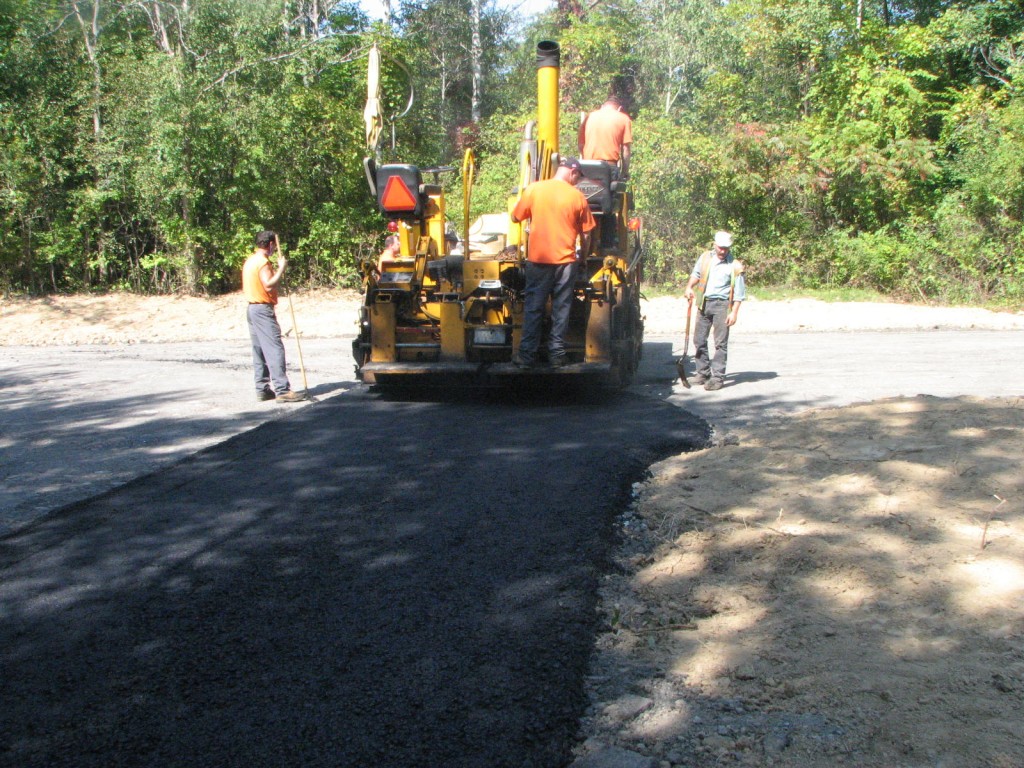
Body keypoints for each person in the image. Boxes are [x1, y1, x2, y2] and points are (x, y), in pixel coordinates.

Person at [510, 157, 596, 368]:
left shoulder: (534, 189)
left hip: (538, 259)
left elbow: (515, 217)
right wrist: (583, 259)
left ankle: (526, 356)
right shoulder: (577, 197)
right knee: (561, 309)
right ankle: (556, 355)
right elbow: (587, 235)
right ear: (573, 173)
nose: (578, 182)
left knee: (534, 307)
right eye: (578, 178)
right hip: (566, 262)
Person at [242, 230, 305, 402]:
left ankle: (262, 389)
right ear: (270, 245)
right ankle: (282, 390)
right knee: (274, 347)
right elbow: (269, 285)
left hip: (252, 309)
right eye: (274, 246)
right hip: (262, 310)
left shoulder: (250, 260)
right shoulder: (262, 263)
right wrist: (281, 268)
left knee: (259, 350)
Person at [684, 230, 746, 391]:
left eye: (726, 248)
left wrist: (734, 313)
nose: (723, 251)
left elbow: (739, 294)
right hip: (704, 302)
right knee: (699, 339)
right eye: (720, 248)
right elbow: (696, 274)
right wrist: (689, 287)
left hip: (722, 306)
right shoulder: (705, 258)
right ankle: (702, 373)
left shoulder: (735, 266)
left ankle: (717, 378)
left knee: (720, 344)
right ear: (714, 245)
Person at [578, 95, 633, 179]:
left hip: (587, 166)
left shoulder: (589, 117)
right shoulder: (624, 118)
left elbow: (581, 145)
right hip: (608, 167)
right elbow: (626, 149)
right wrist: (625, 172)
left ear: (602, 107)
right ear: (619, 109)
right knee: (610, 191)